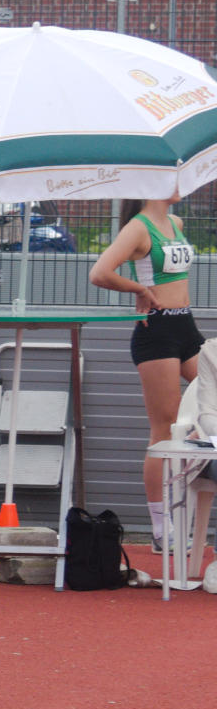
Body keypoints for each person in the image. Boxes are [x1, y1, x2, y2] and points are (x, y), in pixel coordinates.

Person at [89, 197, 207, 551]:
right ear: (151, 184)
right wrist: (139, 289)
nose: (179, 182)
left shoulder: (176, 222)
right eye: (171, 176)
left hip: (186, 328)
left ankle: (196, 463)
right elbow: (99, 273)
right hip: (156, 334)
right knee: (163, 428)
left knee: (207, 403)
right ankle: (161, 528)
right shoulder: (139, 227)